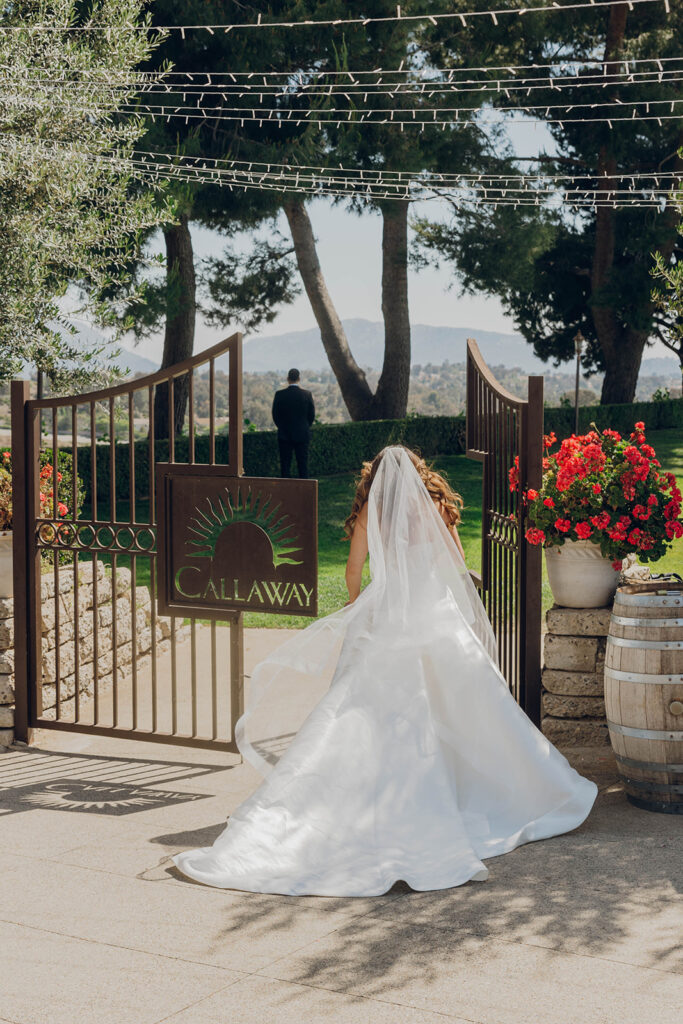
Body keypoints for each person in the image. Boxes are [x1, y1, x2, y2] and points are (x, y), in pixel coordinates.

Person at [173, 446, 597, 897]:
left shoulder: (369, 511)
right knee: (472, 706)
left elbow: (354, 571)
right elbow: (455, 562)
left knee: (362, 710)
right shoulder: (437, 507)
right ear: (418, 474)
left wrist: (358, 606)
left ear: (375, 478)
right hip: (435, 613)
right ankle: (519, 791)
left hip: (391, 614)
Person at [271, 368, 315, 478]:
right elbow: (311, 415)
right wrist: (304, 426)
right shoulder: (307, 394)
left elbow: (275, 415)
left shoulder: (279, 395)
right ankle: (304, 491)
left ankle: (285, 492)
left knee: (285, 466)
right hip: (302, 434)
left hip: (284, 435)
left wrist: (281, 426)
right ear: (299, 378)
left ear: (287, 379)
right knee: (303, 465)